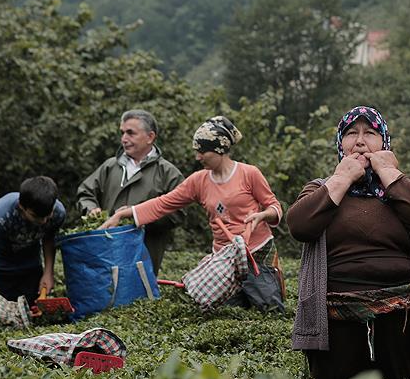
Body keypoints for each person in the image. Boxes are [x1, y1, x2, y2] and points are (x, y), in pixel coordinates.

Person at [286, 105, 410, 379]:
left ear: (383, 142)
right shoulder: (322, 188)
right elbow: (299, 225)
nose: (360, 141)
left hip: (402, 319)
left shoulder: (399, 187)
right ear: (340, 144)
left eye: (370, 133)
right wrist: (342, 179)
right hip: (337, 322)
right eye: (351, 133)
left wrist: (387, 171)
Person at [100, 116, 285, 311]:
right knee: (226, 314)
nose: (198, 157)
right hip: (224, 261)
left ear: (219, 149)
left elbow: (274, 206)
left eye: (202, 151)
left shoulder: (249, 174)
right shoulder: (199, 180)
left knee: (269, 309)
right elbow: (164, 203)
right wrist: (124, 214)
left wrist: (262, 216)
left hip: (256, 252)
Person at [77, 109, 184, 274]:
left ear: (150, 137)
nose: (124, 139)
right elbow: (85, 193)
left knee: (137, 296)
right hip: (106, 254)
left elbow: (178, 213)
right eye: (122, 133)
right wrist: (90, 209)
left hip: (143, 257)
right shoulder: (110, 166)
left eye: (131, 133)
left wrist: (137, 216)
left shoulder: (168, 173)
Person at [0, 176, 66, 305]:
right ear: (22, 207)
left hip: (28, 260)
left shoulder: (58, 213)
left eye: (47, 215)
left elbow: (49, 239)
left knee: (31, 308)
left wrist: (48, 272)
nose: (43, 221)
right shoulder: (2, 217)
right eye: (36, 216)